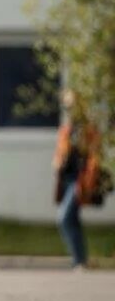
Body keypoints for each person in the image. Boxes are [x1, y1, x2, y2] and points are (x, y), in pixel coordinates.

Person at [52, 89, 105, 270]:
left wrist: (90, 179)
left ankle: (79, 260)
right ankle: (80, 259)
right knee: (72, 219)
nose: (69, 110)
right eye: (67, 107)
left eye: (72, 106)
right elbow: (61, 153)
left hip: (79, 180)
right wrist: (57, 163)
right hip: (66, 179)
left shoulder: (88, 130)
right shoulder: (66, 130)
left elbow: (93, 156)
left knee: (64, 218)